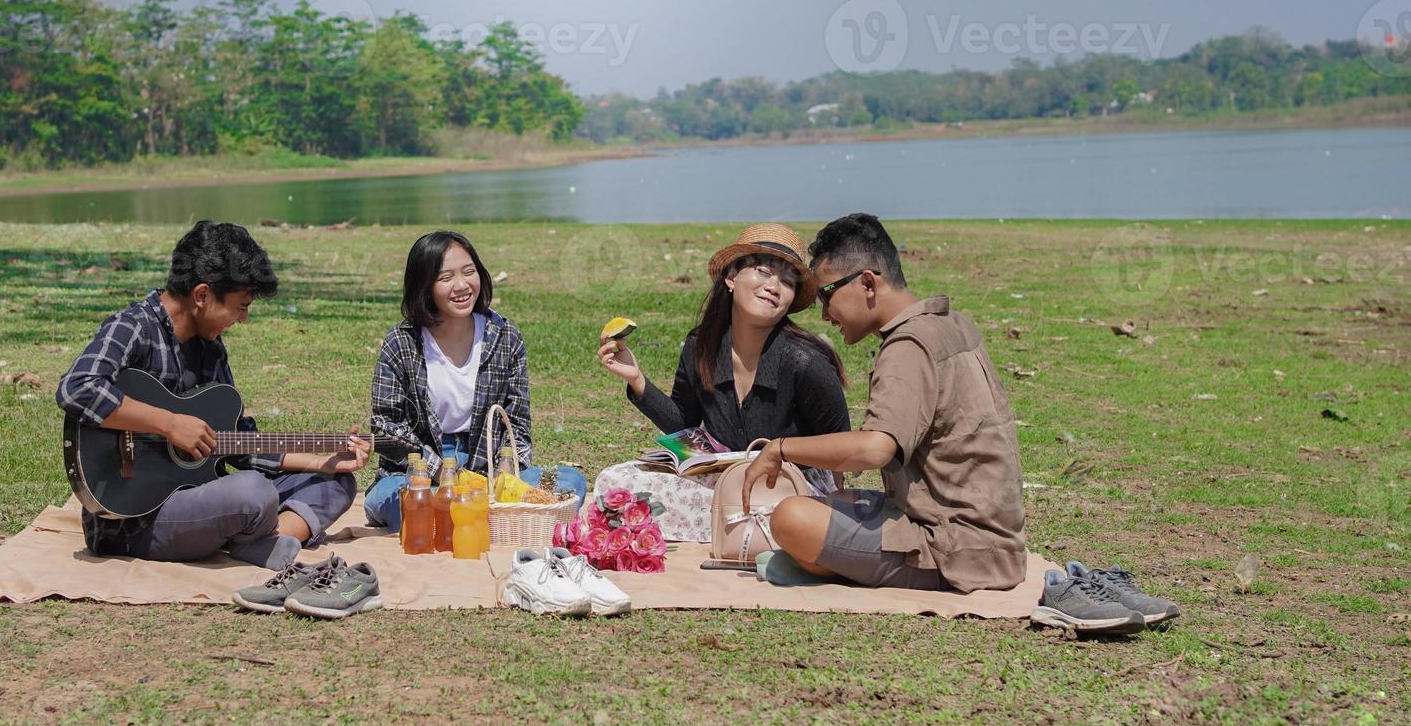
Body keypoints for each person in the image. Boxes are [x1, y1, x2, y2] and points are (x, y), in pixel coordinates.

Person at [56, 220, 369, 570]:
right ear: (202, 295)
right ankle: (258, 538)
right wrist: (169, 423)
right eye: (241, 306)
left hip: (201, 500)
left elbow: (237, 442)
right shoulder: (132, 327)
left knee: (337, 483)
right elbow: (77, 387)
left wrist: (319, 460)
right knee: (253, 493)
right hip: (134, 520)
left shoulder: (211, 349)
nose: (243, 318)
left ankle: (268, 540)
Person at [740, 213, 1026, 593]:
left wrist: (780, 449)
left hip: (955, 551)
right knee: (831, 501)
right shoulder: (952, 323)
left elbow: (875, 449)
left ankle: (838, 567)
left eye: (827, 295)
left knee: (791, 517)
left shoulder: (908, 347)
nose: (825, 314)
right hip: (995, 541)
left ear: (868, 283)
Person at [596, 224, 851, 541]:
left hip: (790, 491)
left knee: (779, 516)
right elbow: (683, 422)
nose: (774, 286)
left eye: (787, 281)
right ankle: (735, 532)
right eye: (763, 271)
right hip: (725, 483)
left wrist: (834, 523)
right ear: (732, 278)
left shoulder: (804, 361)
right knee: (615, 483)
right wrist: (637, 379)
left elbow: (842, 448)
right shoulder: (700, 346)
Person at [366, 230, 588, 529]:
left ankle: (470, 514)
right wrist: (442, 473)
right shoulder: (401, 343)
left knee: (570, 484)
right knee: (391, 499)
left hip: (488, 469)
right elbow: (385, 427)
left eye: (469, 272)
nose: (461, 285)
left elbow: (518, 425)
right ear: (425, 286)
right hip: (419, 472)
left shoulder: (504, 336)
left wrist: (507, 478)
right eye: (446, 278)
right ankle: (492, 517)